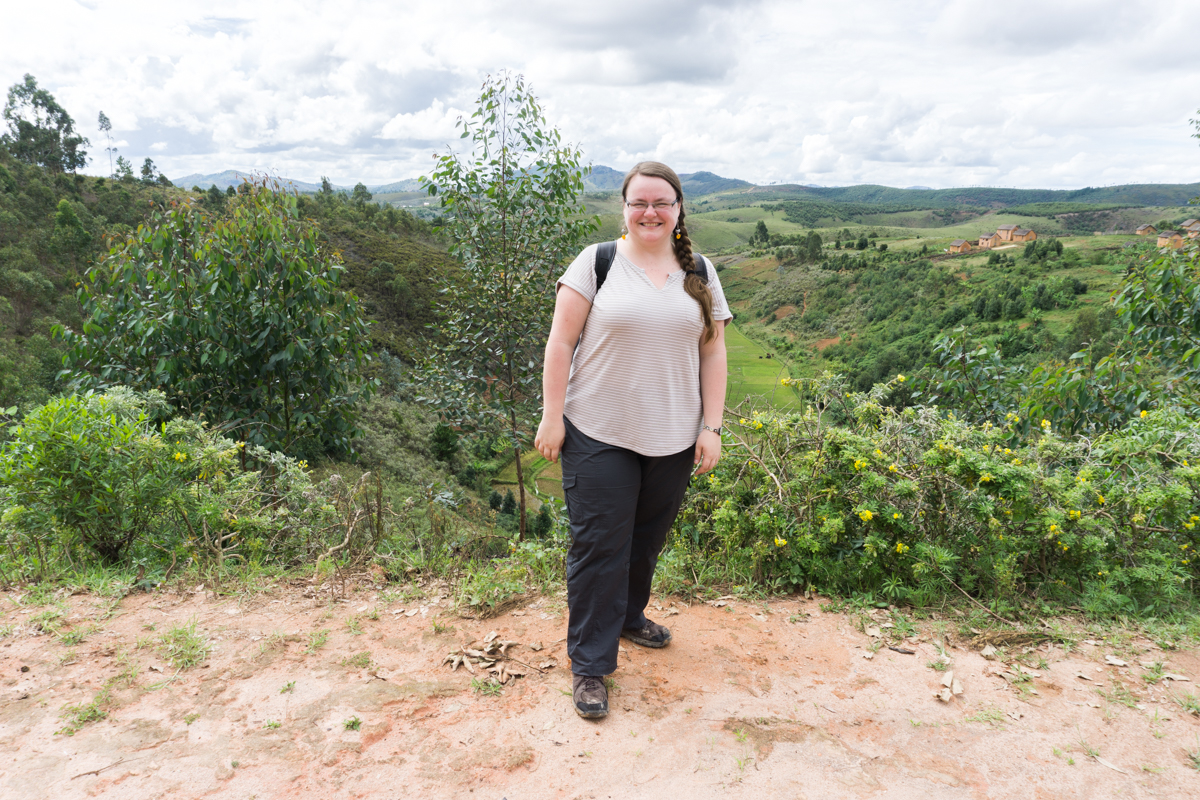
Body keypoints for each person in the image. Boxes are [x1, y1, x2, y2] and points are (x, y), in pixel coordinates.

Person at [534, 161, 731, 719]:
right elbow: (559, 343)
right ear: (624, 208)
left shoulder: (701, 271)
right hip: (597, 430)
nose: (650, 212)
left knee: (645, 540)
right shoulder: (597, 262)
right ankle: (591, 667)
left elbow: (713, 352)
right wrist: (552, 417)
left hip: (671, 435)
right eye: (639, 202)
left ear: (678, 210)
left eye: (661, 202)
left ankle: (627, 618)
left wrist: (711, 427)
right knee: (600, 548)